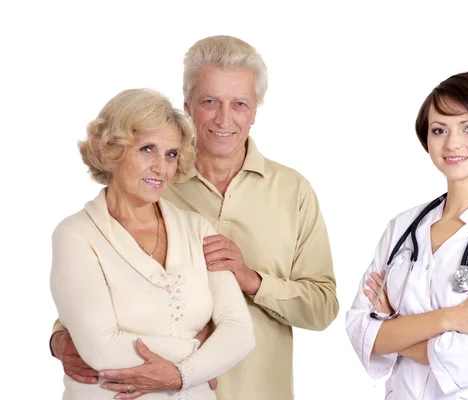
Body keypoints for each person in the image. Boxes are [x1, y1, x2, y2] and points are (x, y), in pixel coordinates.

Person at [50, 35, 339, 400]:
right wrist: (60, 339)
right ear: (187, 104)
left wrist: (252, 280)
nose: (224, 118)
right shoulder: (151, 186)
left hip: (259, 390)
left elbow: (324, 307)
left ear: (254, 111)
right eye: (209, 101)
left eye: (240, 104)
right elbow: (92, 293)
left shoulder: (293, 191)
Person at [49, 88, 255, 399]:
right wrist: (199, 357)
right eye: (147, 149)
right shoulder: (76, 235)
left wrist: (181, 375)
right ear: (113, 150)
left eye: (171, 154)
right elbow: (101, 348)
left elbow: (240, 333)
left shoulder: (196, 228)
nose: (161, 167)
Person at [345, 72, 468, 399]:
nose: (452, 143)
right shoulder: (402, 227)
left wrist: (396, 331)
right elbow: (361, 332)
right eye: (439, 130)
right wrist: (453, 318)